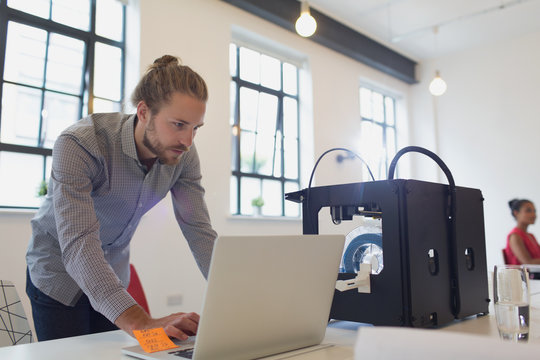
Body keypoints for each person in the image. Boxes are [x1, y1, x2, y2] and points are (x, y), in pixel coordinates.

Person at [25, 55, 217, 341]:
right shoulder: (81, 144)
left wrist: (239, 301)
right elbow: (79, 244)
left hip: (112, 278)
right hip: (58, 276)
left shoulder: (183, 156)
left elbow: (199, 231)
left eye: (195, 128)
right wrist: (141, 321)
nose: (188, 141)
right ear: (143, 112)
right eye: (178, 124)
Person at [504, 198, 540, 265]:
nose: (533, 214)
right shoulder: (515, 236)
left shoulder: (531, 236)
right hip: (523, 275)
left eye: (534, 211)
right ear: (516, 213)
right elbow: (528, 263)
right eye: (528, 211)